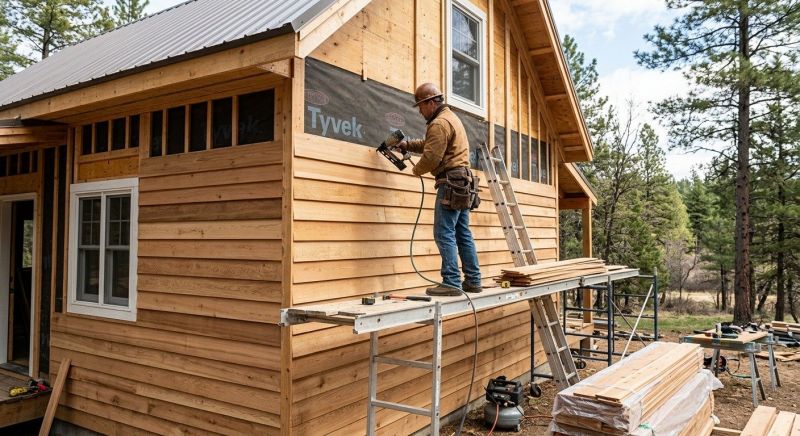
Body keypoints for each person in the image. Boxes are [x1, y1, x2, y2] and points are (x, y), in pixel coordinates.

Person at [398, 83, 482, 296]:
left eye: (421, 106)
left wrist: (415, 170)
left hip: (450, 183)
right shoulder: (450, 118)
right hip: (462, 182)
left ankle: (451, 282)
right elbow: (430, 144)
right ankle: (473, 281)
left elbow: (432, 157)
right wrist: (407, 145)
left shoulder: (439, 123)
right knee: (462, 233)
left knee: (443, 232)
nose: (420, 111)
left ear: (430, 102)